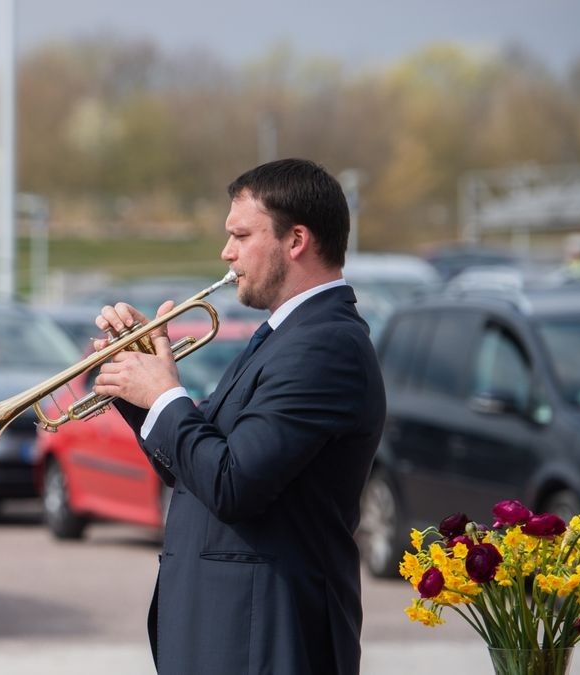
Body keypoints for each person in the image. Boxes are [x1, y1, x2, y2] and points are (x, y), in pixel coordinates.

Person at [92, 158, 386, 675]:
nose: (226, 253)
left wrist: (165, 396)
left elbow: (234, 483)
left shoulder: (326, 345)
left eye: (240, 235)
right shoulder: (287, 336)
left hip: (267, 639)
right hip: (232, 634)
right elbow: (197, 468)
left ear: (296, 241)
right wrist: (140, 385)